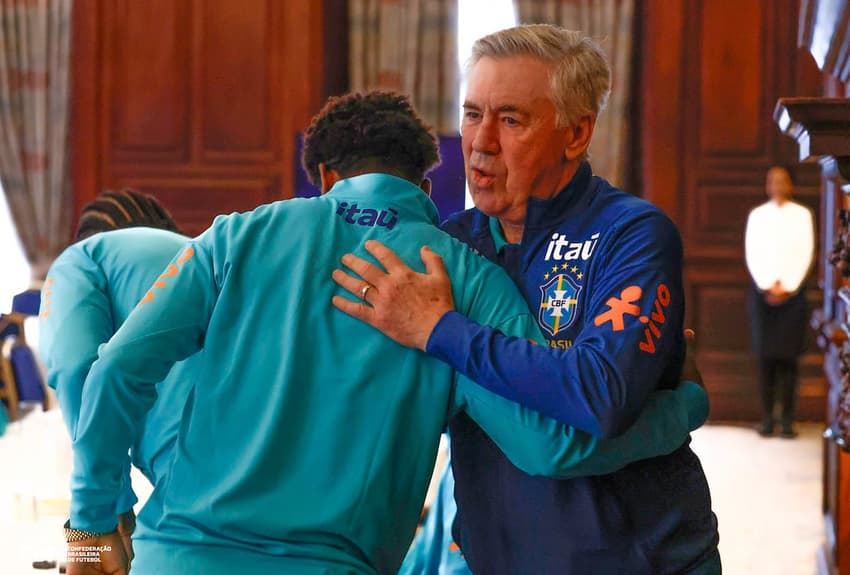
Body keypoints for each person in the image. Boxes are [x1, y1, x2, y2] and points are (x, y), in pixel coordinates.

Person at [64, 91, 708, 575]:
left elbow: (116, 370)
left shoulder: (240, 234)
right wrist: (681, 408)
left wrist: (91, 532)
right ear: (425, 184)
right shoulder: (459, 274)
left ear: (323, 177)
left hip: (174, 557)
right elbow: (551, 448)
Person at [333, 26, 721, 574]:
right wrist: (680, 408)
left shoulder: (631, 233)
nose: (480, 141)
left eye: (510, 119)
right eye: (472, 114)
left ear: (576, 133)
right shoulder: (447, 244)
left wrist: (440, 330)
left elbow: (598, 395)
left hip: (643, 560)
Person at [38, 189, 191, 561]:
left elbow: (77, 370)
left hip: (193, 492)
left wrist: (100, 520)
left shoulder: (82, 259)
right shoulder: (206, 251)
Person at [745, 165, 814, 438]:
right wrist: (768, 284)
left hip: (793, 296)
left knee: (790, 361)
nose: (777, 185)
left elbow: (806, 251)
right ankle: (766, 419)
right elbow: (753, 252)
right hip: (763, 295)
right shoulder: (758, 215)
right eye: (772, 180)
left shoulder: (802, 215)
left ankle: (787, 420)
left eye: (782, 180)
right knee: (765, 360)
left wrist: (788, 285)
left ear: (791, 184)